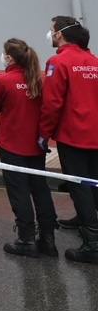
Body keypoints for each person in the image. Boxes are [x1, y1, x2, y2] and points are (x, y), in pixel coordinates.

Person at [0, 38, 57, 257]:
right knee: (40, 189)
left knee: (19, 192)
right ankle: (48, 237)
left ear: (10, 57)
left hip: (12, 145)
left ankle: (26, 239)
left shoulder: (4, 80)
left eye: (4, 54)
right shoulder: (38, 80)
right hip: (36, 145)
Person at [40, 15, 98, 264]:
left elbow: (52, 104)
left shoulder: (58, 62)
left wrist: (43, 134)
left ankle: (92, 243)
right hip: (95, 134)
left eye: (52, 30)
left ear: (61, 34)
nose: (50, 34)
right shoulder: (93, 61)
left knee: (79, 185)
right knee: (94, 183)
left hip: (74, 136)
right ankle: (84, 219)